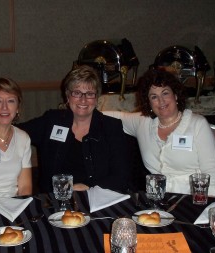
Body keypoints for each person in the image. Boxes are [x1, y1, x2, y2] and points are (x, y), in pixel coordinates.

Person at [104, 68, 215, 197]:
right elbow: (113, 116)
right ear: (148, 102)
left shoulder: (197, 124)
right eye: (154, 97)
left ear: (175, 95)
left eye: (165, 93)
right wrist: (82, 109)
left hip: (192, 198)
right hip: (157, 201)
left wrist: (205, 203)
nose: (161, 101)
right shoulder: (143, 122)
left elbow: (211, 171)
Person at [17, 65, 131, 193]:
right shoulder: (52, 121)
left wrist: (89, 187)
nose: (83, 99)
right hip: (54, 203)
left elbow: (121, 178)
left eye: (89, 94)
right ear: (68, 96)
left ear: (97, 98)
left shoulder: (111, 127)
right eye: (77, 93)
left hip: (97, 201)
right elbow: (13, 133)